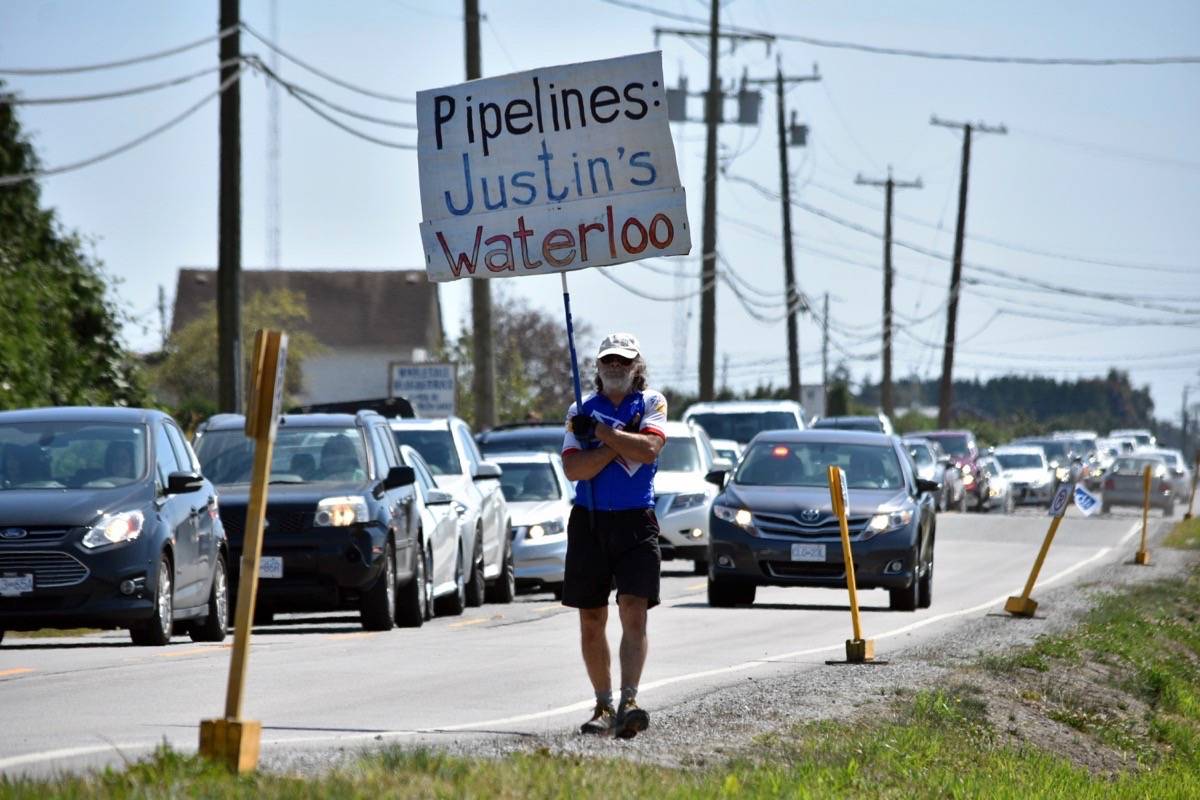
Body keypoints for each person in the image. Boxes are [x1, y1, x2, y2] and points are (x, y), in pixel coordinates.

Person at [561, 332, 667, 739]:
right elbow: (575, 470)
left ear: (636, 365)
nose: (616, 367)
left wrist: (602, 435)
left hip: (636, 520)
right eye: (609, 360)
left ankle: (630, 699)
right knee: (591, 617)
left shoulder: (652, 402)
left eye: (624, 361)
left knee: (634, 611)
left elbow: (649, 450)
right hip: (590, 521)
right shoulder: (580, 407)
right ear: (598, 366)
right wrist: (622, 439)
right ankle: (603, 703)